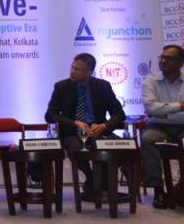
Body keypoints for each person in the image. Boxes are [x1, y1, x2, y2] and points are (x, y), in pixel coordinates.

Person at [45, 53, 126, 192]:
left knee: (123, 148)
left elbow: (119, 114)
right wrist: (74, 123)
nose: (72, 71)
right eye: (72, 67)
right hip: (72, 133)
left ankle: (100, 181)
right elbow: (50, 116)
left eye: (77, 69)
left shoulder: (103, 86)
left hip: (98, 132)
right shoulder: (61, 87)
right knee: (76, 149)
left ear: (89, 72)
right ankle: (92, 178)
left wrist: (103, 126)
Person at [141, 44, 184, 209]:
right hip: (158, 127)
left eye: (169, 58)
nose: (163, 61)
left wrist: (167, 115)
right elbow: (151, 108)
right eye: (162, 57)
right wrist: (179, 106)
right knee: (147, 139)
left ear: (181, 62)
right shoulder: (150, 82)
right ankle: (158, 190)